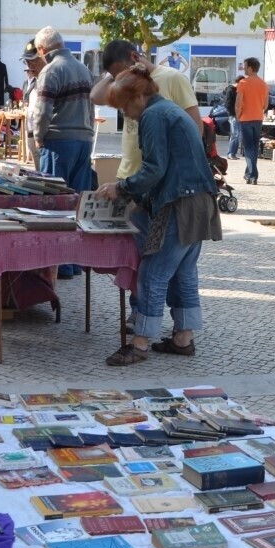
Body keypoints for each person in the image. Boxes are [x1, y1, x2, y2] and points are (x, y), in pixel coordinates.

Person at [95, 65, 220, 366]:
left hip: (181, 203)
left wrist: (122, 188)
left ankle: (140, 343)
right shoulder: (169, 110)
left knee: (153, 272)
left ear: (138, 97)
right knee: (183, 272)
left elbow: (154, 168)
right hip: (199, 201)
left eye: (125, 108)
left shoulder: (154, 115)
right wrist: (139, 197)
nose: (126, 115)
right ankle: (183, 338)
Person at [93, 40, 202, 183]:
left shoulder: (173, 78)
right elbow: (95, 97)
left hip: (161, 177)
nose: (125, 112)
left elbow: (195, 130)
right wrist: (114, 76)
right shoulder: (124, 83)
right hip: (128, 174)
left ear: (135, 57)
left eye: (123, 71)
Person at [29, 26, 97, 191]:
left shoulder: (50, 70)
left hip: (58, 143)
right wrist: (88, 134)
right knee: (78, 198)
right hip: (84, 142)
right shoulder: (84, 70)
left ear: (41, 49)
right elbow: (91, 108)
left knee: (54, 196)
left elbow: (43, 111)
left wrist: (38, 137)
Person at [235, 58, 270, 185]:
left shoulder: (243, 83)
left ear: (250, 68)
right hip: (258, 118)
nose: (244, 69)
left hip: (245, 118)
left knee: (248, 148)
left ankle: (253, 175)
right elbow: (266, 105)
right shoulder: (264, 84)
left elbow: (238, 104)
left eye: (245, 66)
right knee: (254, 147)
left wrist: (238, 116)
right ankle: (248, 174)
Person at [222, 75, 242, 159]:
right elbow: (227, 104)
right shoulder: (231, 90)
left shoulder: (238, 90)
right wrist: (233, 114)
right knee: (235, 134)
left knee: (237, 134)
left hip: (238, 115)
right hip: (233, 115)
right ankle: (230, 153)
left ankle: (233, 153)